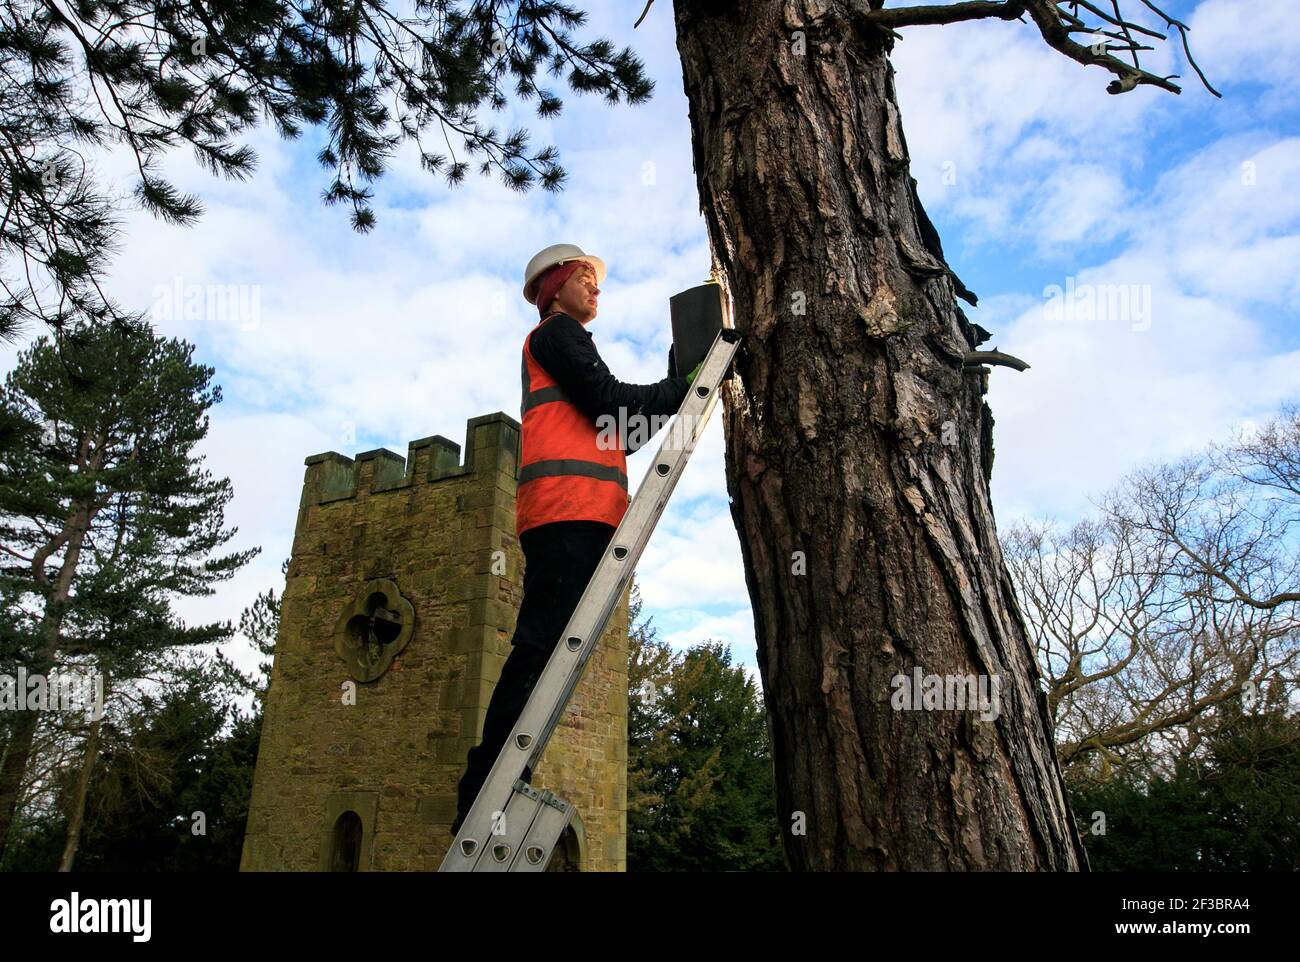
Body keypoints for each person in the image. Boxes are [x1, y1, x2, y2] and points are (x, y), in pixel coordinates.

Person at [451, 244, 703, 835]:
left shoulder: (569, 344)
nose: (596, 290)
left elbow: (625, 431)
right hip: (565, 512)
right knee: (538, 645)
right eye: (585, 279)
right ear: (556, 287)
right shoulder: (555, 336)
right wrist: (677, 386)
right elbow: (614, 402)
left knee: (548, 652)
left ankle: (502, 775)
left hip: (585, 514)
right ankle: (487, 782)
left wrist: (675, 388)